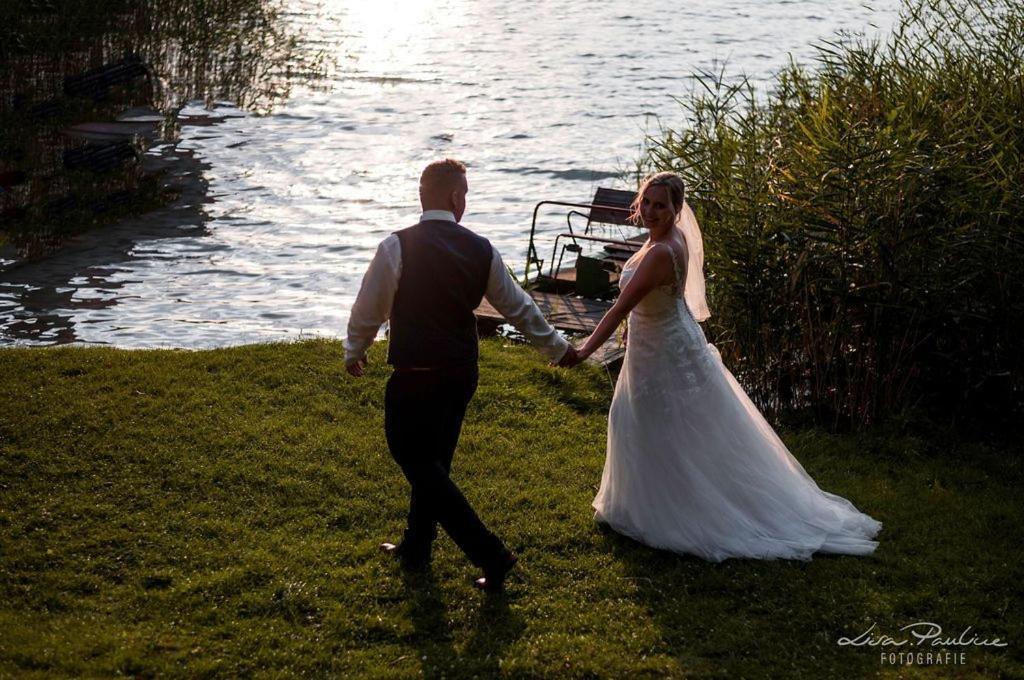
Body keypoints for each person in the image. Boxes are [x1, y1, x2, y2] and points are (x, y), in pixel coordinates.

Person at [566, 172, 881, 561]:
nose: (650, 211)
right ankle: (652, 503)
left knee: (650, 423)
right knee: (670, 426)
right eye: (646, 202)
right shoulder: (668, 238)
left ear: (676, 209)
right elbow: (657, 299)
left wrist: (582, 351)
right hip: (667, 338)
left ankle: (670, 514)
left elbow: (619, 308)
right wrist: (634, 330)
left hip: (665, 349)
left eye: (660, 205)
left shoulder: (663, 251)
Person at [344, 158, 577, 590]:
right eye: (465, 194)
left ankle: (489, 552)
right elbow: (519, 306)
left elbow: (369, 306)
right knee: (433, 464)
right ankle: (417, 544)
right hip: (460, 374)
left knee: (411, 455)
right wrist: (558, 348)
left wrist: (354, 349)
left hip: (415, 372)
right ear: (454, 197)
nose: (465, 201)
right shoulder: (481, 248)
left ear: (422, 194)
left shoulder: (396, 246)